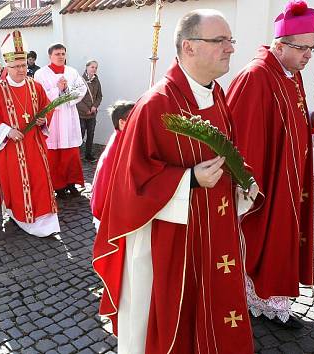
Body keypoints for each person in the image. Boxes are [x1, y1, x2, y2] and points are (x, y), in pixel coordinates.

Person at [93, 10, 258, 353]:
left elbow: (228, 154)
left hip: (217, 234)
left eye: (230, 40)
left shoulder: (217, 95)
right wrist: (190, 181)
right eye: (220, 41)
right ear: (189, 47)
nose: (230, 48)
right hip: (173, 246)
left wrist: (243, 181)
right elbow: (131, 186)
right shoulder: (156, 105)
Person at [226, 0, 314, 329]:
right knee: (263, 240)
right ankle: (254, 297)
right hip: (266, 184)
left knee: (282, 239)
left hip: (288, 180)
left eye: (311, 48)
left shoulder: (291, 74)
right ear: (280, 44)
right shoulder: (256, 76)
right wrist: (250, 186)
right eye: (302, 48)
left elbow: (290, 125)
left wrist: (313, 120)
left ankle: (268, 298)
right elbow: (240, 137)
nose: (308, 55)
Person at [0, 30, 60, 238]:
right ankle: (21, 215)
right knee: (18, 182)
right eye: (16, 67)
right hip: (11, 149)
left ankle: (46, 218)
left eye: (23, 65)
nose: (21, 70)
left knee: (41, 179)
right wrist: (7, 130)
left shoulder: (35, 86)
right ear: (7, 67)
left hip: (35, 144)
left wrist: (43, 120)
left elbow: (46, 108)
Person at [34, 43, 87, 198]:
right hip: (53, 118)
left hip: (69, 116)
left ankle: (72, 183)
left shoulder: (72, 71)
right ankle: (58, 187)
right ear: (50, 56)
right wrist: (58, 89)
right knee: (55, 155)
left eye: (63, 53)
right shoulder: (41, 74)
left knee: (71, 154)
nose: (61, 56)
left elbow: (81, 89)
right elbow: (39, 94)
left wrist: (66, 90)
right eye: (57, 54)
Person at [90, 100, 134, 228]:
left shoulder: (120, 137)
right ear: (122, 122)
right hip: (111, 212)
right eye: (135, 118)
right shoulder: (120, 146)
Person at [76, 60, 103, 162]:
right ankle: (77, 155)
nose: (94, 69)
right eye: (92, 67)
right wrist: (86, 109)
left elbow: (99, 96)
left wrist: (95, 106)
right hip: (82, 114)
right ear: (87, 67)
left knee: (91, 134)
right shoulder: (80, 80)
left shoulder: (96, 80)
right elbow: (77, 98)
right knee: (80, 135)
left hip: (92, 114)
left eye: (96, 67)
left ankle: (88, 155)